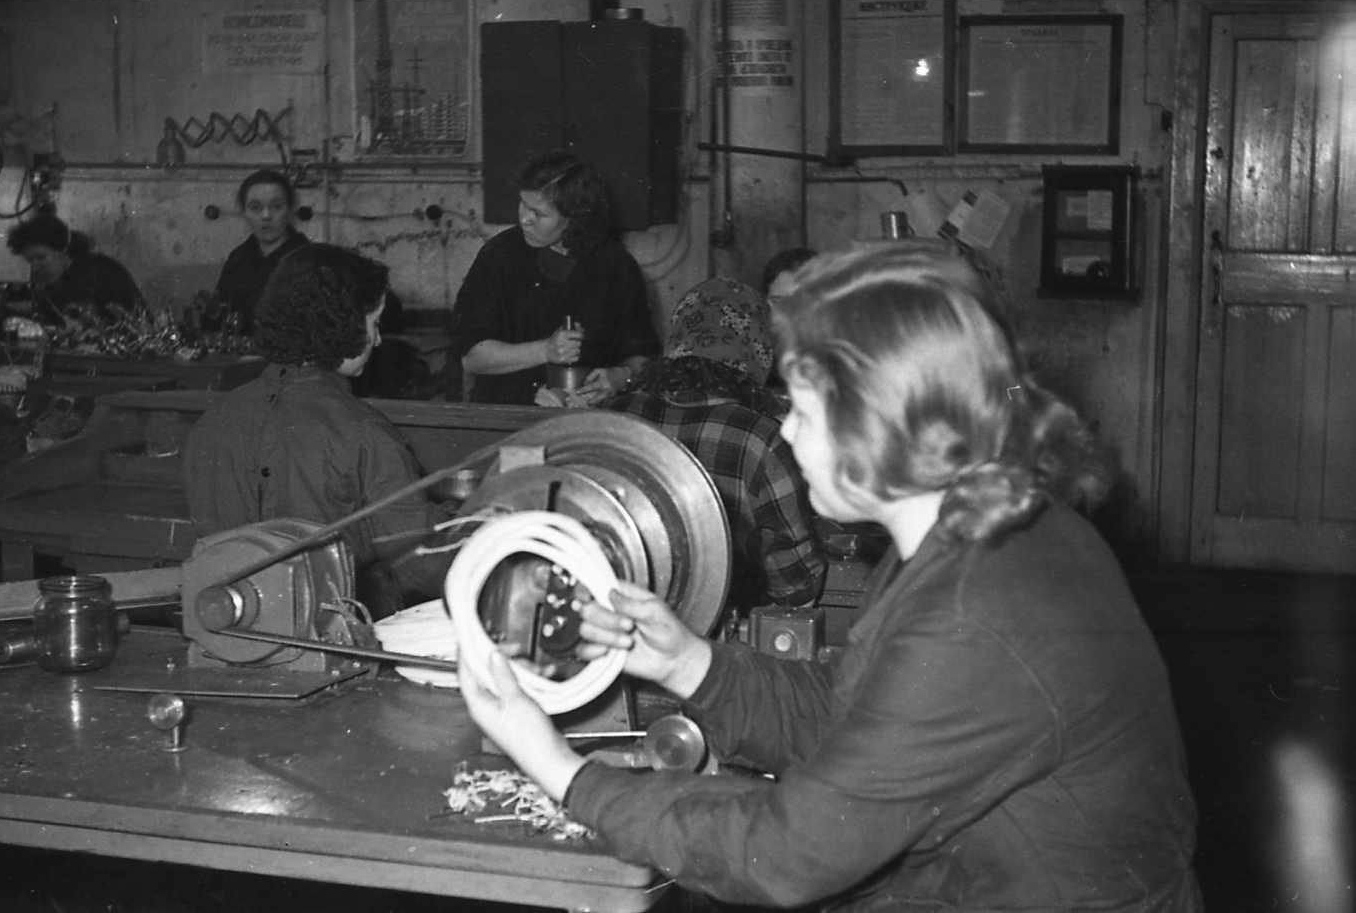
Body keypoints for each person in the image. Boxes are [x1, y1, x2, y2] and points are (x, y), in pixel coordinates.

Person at [459, 241, 1201, 911]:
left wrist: (562, 771)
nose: (784, 429)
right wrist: (686, 662)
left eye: (806, 412)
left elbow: (787, 855)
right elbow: (855, 712)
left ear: (884, 428)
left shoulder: (977, 607)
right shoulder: (978, 527)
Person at [184, 243, 429, 619]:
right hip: (333, 636)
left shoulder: (212, 422)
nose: (378, 340)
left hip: (227, 627)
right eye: (374, 324)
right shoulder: (364, 431)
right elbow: (416, 565)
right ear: (343, 323)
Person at [602, 277, 826, 612]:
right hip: (720, 629)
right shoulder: (760, 439)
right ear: (758, 348)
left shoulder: (612, 417)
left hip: (614, 616)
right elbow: (796, 586)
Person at [451, 150, 659, 405]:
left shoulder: (616, 266)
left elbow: (644, 357)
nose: (524, 219)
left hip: (590, 413)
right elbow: (471, 358)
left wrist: (620, 377)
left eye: (538, 214)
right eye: (523, 204)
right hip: (509, 408)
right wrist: (545, 350)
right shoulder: (499, 256)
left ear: (574, 219)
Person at [211, 168, 310, 333]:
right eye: (255, 207)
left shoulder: (308, 261)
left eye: (276, 206)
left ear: (290, 209)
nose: (266, 215)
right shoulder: (238, 259)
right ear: (243, 212)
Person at [5, 212, 144, 320]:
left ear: (62, 250)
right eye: (30, 261)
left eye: (41, 258)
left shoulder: (99, 272)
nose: (35, 267)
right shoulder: (63, 275)